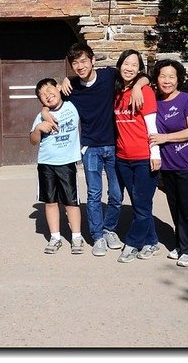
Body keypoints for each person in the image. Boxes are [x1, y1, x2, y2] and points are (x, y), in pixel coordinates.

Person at [55, 43, 149, 257]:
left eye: (84, 61)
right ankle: (97, 236)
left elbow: (142, 76)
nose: (80, 66)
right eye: (75, 63)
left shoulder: (109, 76)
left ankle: (109, 229)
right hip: (91, 148)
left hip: (115, 145)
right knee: (94, 194)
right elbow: (51, 100)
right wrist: (54, 95)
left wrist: (136, 87)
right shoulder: (71, 87)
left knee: (116, 194)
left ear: (93, 60)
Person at [148, 59, 188, 267]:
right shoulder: (154, 101)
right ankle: (181, 244)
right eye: (162, 76)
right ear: (156, 78)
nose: (167, 81)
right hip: (169, 163)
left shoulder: (187, 100)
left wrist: (165, 138)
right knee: (175, 206)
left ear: (178, 79)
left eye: (171, 76)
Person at [112, 49, 162, 263]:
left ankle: (132, 243)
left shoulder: (145, 92)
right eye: (126, 63)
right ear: (120, 65)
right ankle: (152, 242)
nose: (129, 68)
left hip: (144, 157)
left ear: (140, 69)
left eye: (134, 64)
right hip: (123, 158)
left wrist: (155, 154)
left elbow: (152, 125)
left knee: (141, 203)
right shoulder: (116, 92)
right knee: (140, 204)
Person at [29, 78, 84, 255]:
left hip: (67, 163)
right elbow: (33, 141)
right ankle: (55, 237)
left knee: (71, 202)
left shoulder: (72, 106)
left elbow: (80, 83)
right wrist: (39, 128)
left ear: (59, 88)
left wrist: (67, 79)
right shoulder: (40, 116)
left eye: (50, 89)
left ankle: (76, 237)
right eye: (42, 95)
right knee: (50, 202)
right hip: (46, 164)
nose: (47, 95)